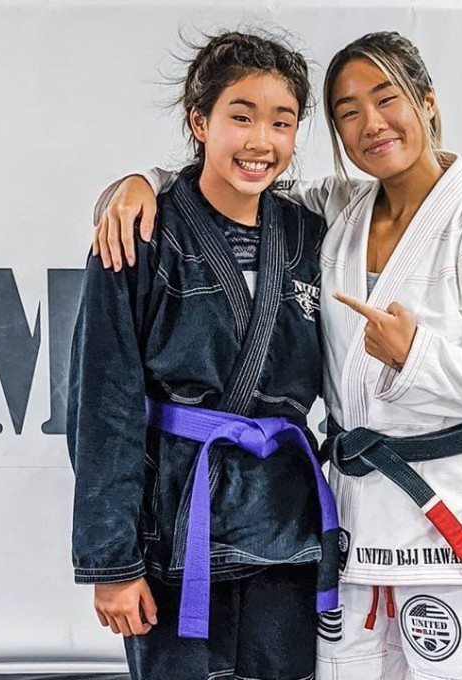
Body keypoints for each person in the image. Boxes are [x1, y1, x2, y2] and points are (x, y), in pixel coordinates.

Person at [94, 31, 462, 680]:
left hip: (441, 503)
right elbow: (233, 179)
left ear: (427, 101)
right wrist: (139, 183)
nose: (371, 124)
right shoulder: (338, 209)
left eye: (387, 99)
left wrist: (416, 355)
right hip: (351, 512)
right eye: (347, 112)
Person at [66, 31, 340, 680]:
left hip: (285, 529)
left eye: (281, 122)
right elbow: (103, 404)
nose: (260, 141)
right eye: (240, 117)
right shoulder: (142, 232)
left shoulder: (312, 237)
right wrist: (112, 563)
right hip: (175, 526)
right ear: (200, 121)